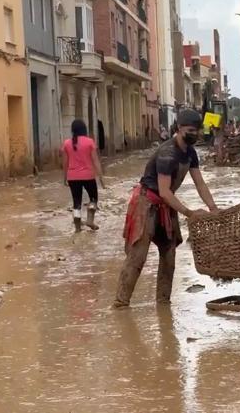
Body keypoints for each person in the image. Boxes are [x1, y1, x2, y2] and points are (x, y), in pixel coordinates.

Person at [113, 109, 218, 308]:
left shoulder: (191, 153)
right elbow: (164, 191)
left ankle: (163, 303)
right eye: (190, 130)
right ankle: (121, 303)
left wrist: (213, 207)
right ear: (178, 128)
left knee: (169, 255)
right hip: (147, 203)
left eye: (197, 130)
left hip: (166, 205)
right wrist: (189, 212)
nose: (194, 134)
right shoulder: (167, 154)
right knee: (138, 257)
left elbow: (200, 183)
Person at [62, 119, 105, 233]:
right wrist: (101, 178)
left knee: (76, 202)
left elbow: (65, 163)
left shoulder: (67, 143)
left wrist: (64, 178)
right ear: (84, 129)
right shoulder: (90, 142)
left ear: (72, 130)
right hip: (88, 176)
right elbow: (96, 161)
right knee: (93, 199)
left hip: (72, 177)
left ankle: (77, 228)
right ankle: (90, 220)